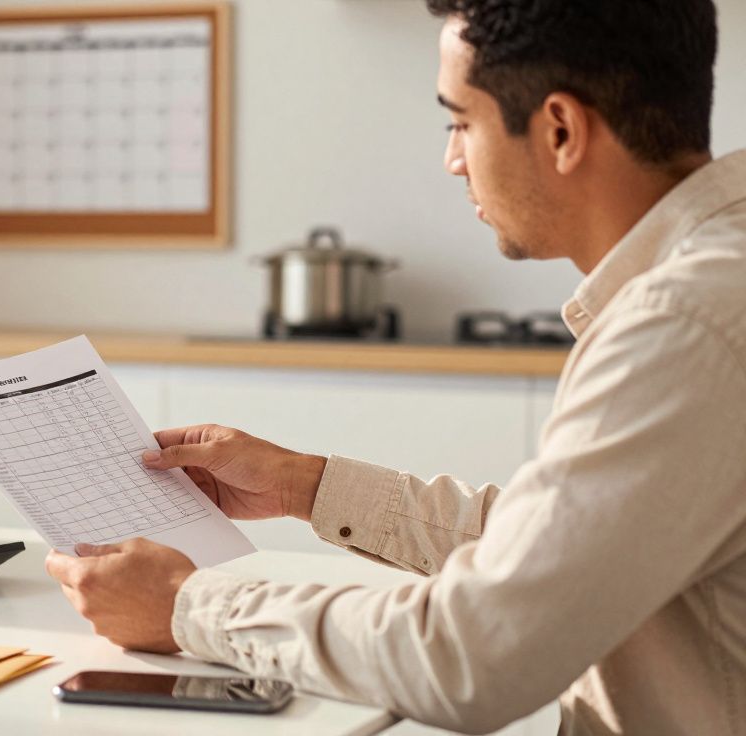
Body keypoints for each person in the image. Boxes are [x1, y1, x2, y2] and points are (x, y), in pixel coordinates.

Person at [46, 1, 745, 733]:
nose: (453, 159)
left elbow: (472, 654)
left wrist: (188, 608)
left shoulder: (680, 328)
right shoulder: (714, 278)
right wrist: (302, 484)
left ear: (561, 131)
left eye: (461, 123)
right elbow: (558, 550)